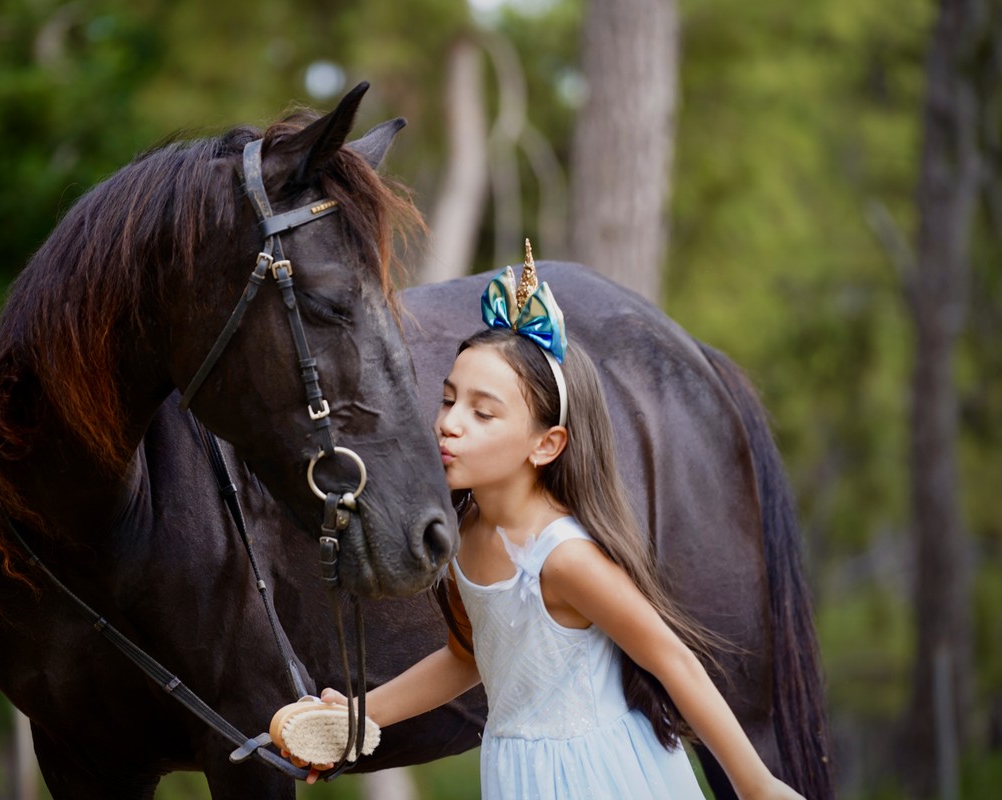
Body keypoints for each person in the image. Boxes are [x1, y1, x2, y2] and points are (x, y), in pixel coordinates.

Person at [276, 242, 806, 799]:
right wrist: (362, 715)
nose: (450, 425)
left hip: (599, 777)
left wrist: (755, 784)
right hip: (517, 777)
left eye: (482, 413)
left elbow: (672, 659)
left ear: (546, 444)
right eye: (449, 400)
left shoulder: (563, 559)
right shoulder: (467, 537)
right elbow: (469, 657)